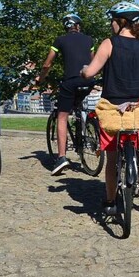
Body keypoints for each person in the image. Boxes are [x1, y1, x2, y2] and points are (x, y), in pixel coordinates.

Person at [81, 2, 139, 214]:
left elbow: (90, 72)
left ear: (120, 22)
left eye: (112, 21)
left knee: (112, 159)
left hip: (112, 108)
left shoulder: (109, 43)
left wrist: (83, 72)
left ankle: (110, 202)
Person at [35, 14, 95, 175]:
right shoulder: (89, 40)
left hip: (71, 81)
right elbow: (94, 61)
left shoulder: (59, 40)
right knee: (78, 103)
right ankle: (84, 125)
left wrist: (40, 78)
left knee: (62, 116)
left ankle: (61, 157)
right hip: (88, 80)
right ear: (79, 26)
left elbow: (48, 63)